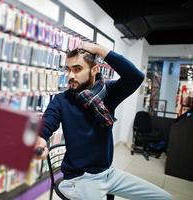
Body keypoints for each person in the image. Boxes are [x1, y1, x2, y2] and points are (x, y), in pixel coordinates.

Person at [35, 42, 172, 200]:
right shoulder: (61, 101)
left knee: (165, 197)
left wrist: (99, 50)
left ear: (94, 70)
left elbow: (135, 77)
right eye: (69, 69)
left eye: (77, 69)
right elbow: (46, 123)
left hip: (108, 173)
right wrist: (39, 139)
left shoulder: (107, 94)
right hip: (80, 178)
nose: (70, 75)